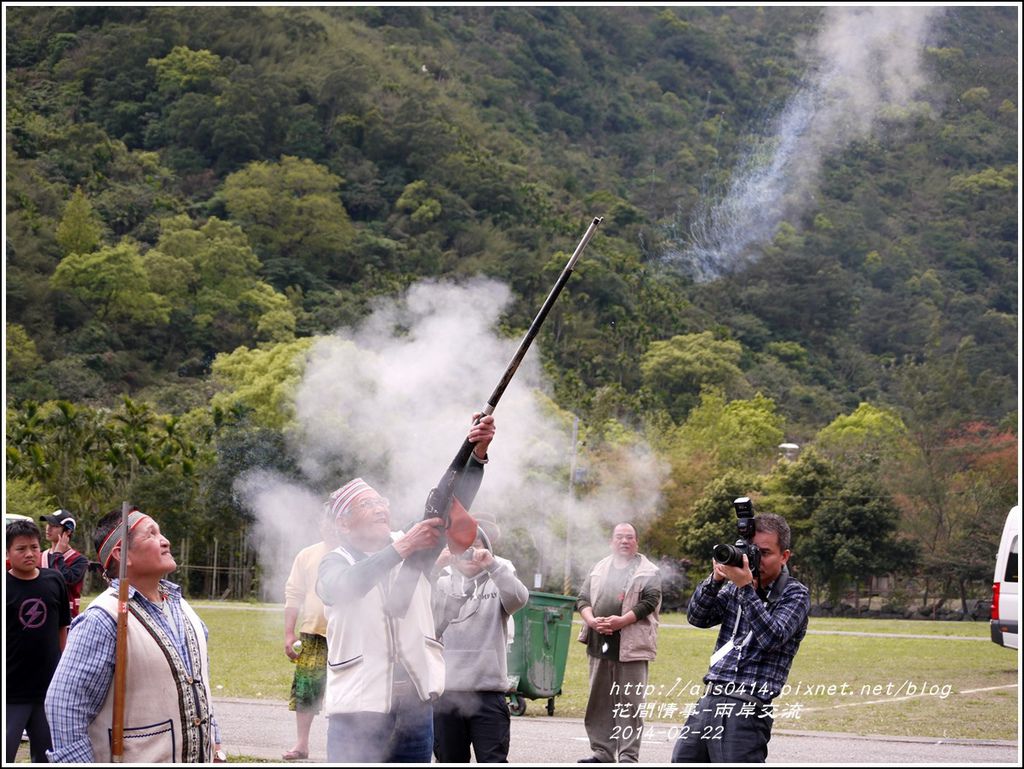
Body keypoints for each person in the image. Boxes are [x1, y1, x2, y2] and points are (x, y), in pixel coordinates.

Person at [316, 413, 495, 763]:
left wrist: (477, 453)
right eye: (366, 505)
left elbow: (451, 504)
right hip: (358, 709)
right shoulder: (335, 561)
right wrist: (402, 548)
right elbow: (342, 588)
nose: (379, 508)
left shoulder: (412, 542)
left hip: (415, 707)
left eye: (380, 502)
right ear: (344, 524)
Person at [45, 507, 226, 763]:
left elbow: (199, 687)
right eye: (152, 534)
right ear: (122, 554)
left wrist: (215, 746)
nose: (165, 541)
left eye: (161, 533)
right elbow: (64, 707)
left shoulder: (184, 608)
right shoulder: (103, 618)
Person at [670, 513, 809, 764]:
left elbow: (772, 637)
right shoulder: (734, 587)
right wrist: (716, 579)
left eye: (764, 553)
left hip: (748, 707)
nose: (756, 559)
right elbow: (698, 617)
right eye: (751, 552)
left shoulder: (794, 594)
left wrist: (746, 588)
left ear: (784, 556)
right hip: (710, 699)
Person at [432, 512, 528, 762]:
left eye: (476, 545)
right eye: (462, 546)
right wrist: (435, 568)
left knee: (493, 760)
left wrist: (492, 565)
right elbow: (411, 604)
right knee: (450, 760)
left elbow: (520, 598)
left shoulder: (498, 579)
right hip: (446, 693)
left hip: (488, 692)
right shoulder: (440, 583)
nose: (470, 552)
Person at [577, 522, 662, 763]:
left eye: (629, 537)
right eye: (619, 537)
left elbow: (649, 602)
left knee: (630, 703)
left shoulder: (648, 571)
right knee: (599, 701)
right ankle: (602, 752)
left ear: (636, 542)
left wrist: (621, 622)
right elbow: (582, 599)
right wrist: (592, 621)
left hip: (631, 648)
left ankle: (628, 756)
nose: (624, 541)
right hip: (598, 643)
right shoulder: (599, 567)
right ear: (611, 541)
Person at [6, 519, 71, 764]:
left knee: (47, 756)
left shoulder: (54, 580)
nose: (29, 554)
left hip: (49, 690)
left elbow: (62, 627)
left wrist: (63, 670)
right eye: (21, 549)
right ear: (7, 553)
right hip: (11, 692)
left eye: (34, 547)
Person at [281, 512, 339, 761]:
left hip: (347, 634)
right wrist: (289, 633)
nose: (329, 527)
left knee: (347, 690)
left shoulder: (355, 552)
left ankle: (345, 745)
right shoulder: (307, 554)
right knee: (306, 690)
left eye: (334, 522)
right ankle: (302, 744)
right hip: (313, 633)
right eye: (325, 522)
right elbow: (293, 595)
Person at [39, 509, 88, 618]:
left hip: (66, 618)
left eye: (55, 526)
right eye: (48, 524)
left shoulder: (79, 560)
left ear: (68, 531)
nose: (48, 528)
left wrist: (57, 555)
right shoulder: (40, 556)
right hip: (41, 616)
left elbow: (66, 579)